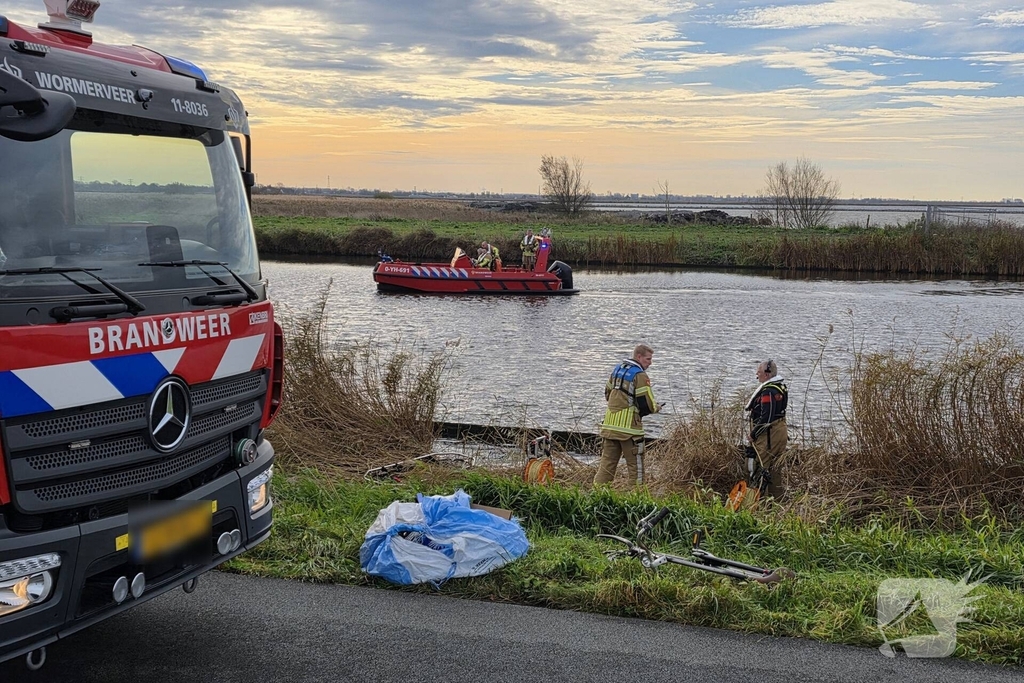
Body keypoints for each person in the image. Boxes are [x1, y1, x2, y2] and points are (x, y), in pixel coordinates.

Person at [594, 344, 663, 486]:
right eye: (648, 359)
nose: (650, 362)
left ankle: (596, 497)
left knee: (606, 467)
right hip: (630, 431)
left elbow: (607, 394)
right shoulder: (640, 375)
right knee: (636, 470)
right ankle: (636, 501)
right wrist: (656, 408)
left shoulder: (616, 370)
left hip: (609, 427)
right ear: (639, 357)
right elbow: (647, 405)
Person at [745, 359, 788, 499]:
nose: (757, 374)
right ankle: (777, 504)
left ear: (767, 374)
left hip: (769, 435)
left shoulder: (768, 391)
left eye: (759, 371)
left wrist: (753, 434)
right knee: (775, 470)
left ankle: (756, 505)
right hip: (780, 431)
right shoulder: (780, 387)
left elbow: (766, 417)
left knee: (759, 468)